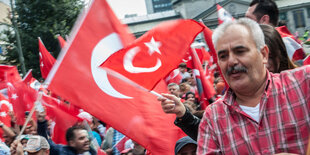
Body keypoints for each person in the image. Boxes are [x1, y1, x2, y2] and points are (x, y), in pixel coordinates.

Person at [197, 18, 309, 154]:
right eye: (223, 56)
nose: (231, 61)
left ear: (263, 54)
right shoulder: (213, 118)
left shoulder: (303, 83)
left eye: (240, 51)